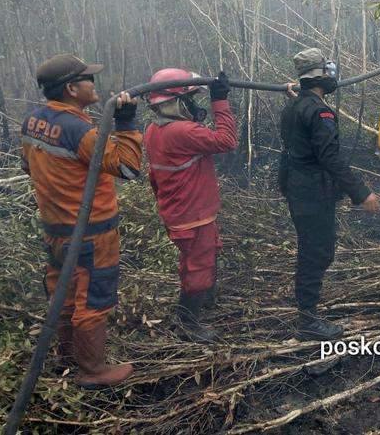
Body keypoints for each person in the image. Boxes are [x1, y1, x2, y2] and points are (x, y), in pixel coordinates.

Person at [21, 54, 141, 388]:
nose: (94, 84)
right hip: (92, 234)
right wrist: (127, 124)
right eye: (89, 79)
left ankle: (68, 357)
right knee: (92, 299)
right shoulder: (81, 131)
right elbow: (128, 168)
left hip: (55, 232)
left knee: (64, 294)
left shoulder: (31, 121)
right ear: (73, 89)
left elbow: (28, 166)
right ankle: (93, 371)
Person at [279, 48, 380, 340]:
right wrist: (361, 192)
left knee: (312, 249)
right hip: (312, 192)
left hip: (298, 188)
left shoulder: (294, 106)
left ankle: (306, 312)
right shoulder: (321, 111)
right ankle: (308, 322)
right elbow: (330, 158)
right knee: (317, 253)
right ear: (320, 76)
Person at [143, 68, 238, 343]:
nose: (193, 105)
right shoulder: (182, 131)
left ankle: (204, 299)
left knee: (203, 256)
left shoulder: (153, 130)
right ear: (174, 103)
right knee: (197, 266)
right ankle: (188, 323)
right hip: (191, 216)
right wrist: (220, 100)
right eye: (188, 100)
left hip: (183, 212)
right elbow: (227, 141)